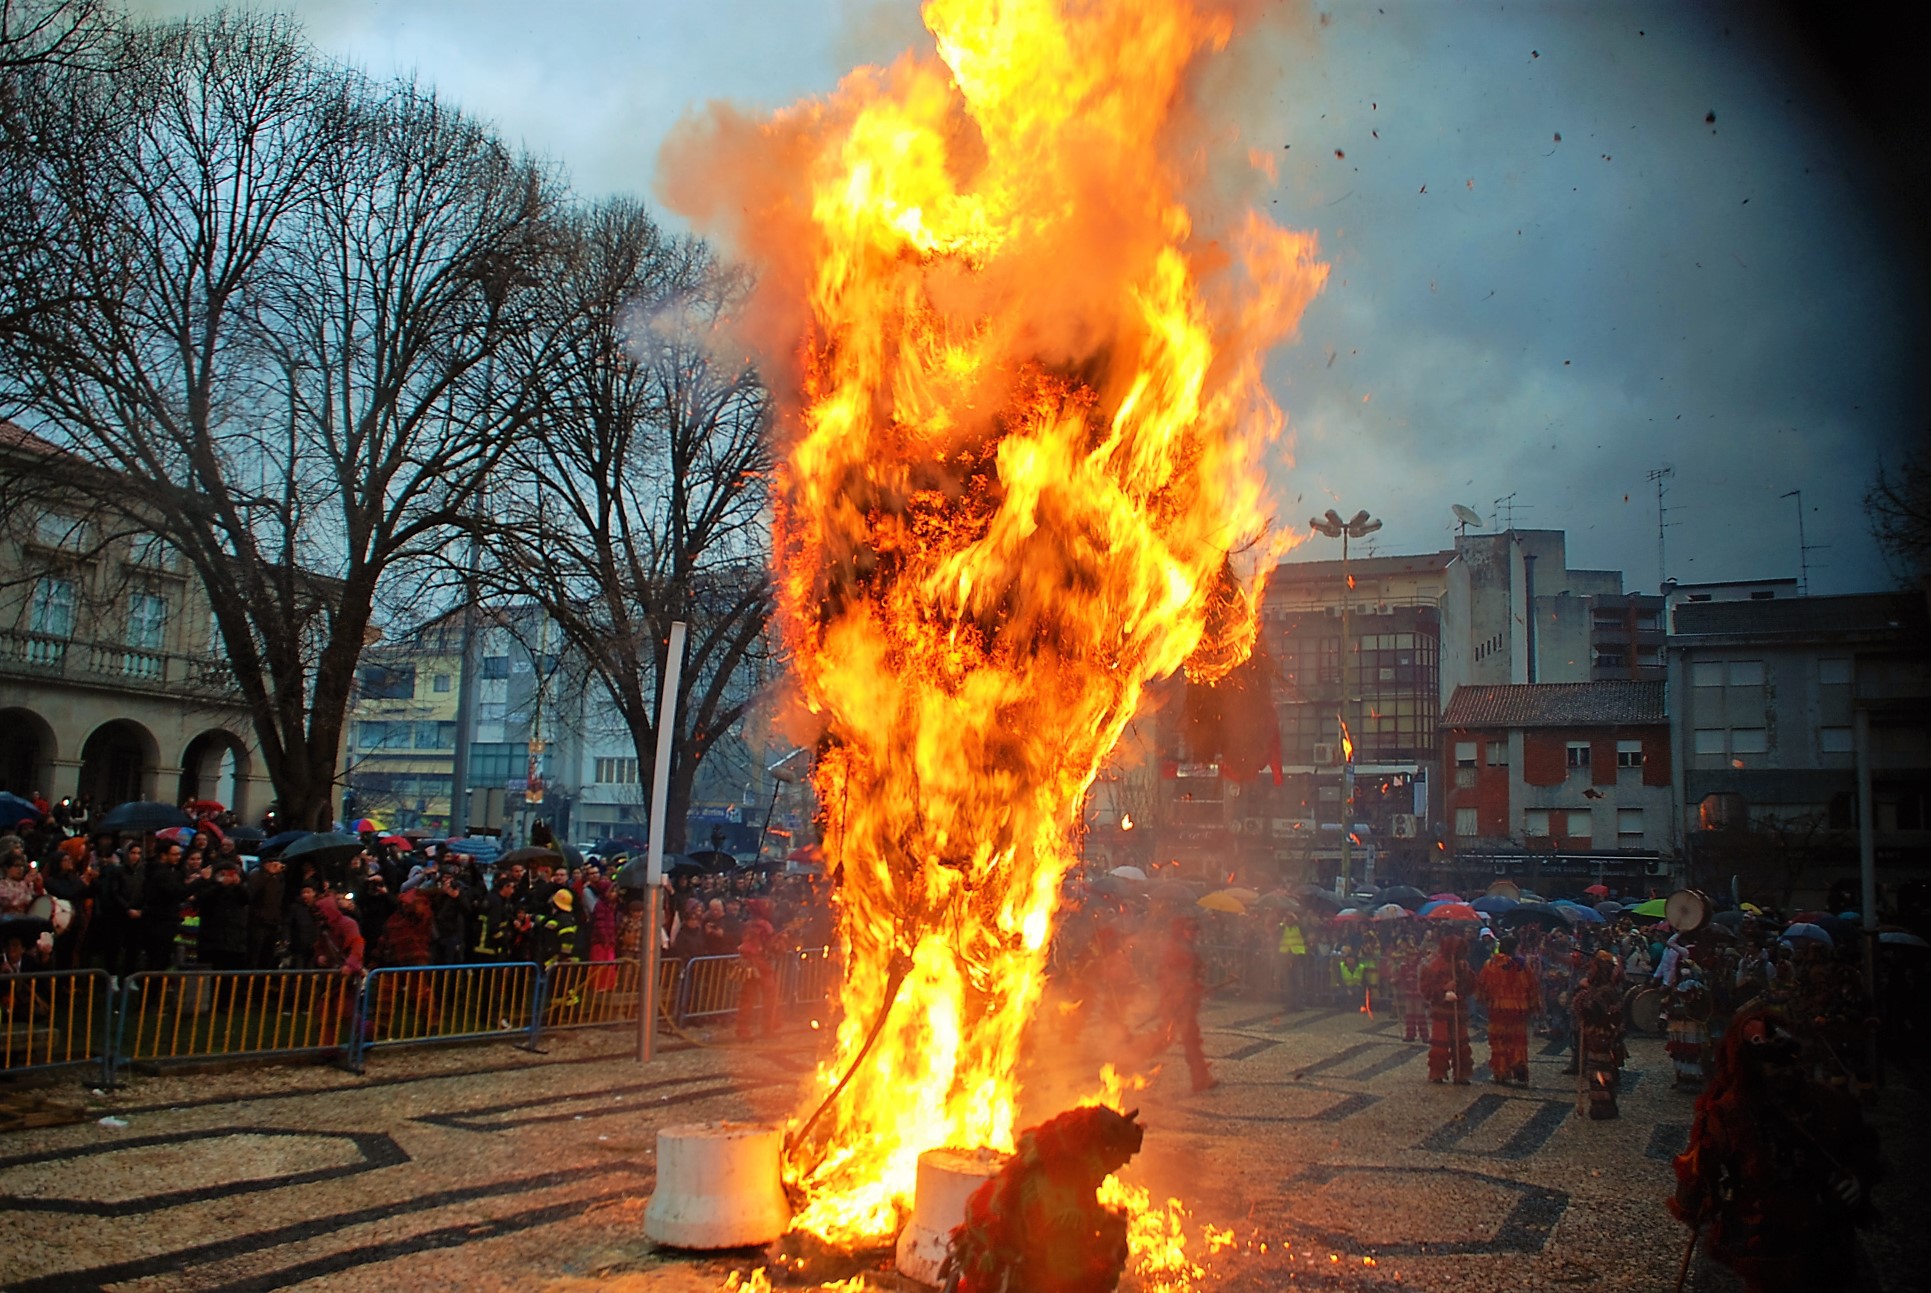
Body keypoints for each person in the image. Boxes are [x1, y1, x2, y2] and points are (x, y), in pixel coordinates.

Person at [1669, 1008, 1884, 1292]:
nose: (1784, 1072)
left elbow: (1862, 1147)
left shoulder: (1828, 1103)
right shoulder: (1729, 1113)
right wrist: (1691, 1203)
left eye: (1788, 1063)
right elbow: (1698, 1168)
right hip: (1767, 1242)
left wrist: (1857, 1178)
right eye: (1773, 1065)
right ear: (1751, 1066)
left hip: (1826, 1234)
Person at [1146, 915, 1216, 1092]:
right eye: (1189, 929)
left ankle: (1200, 1077)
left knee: (1190, 1039)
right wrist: (1184, 988)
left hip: (1185, 1001)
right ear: (1181, 930)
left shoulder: (1187, 947)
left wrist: (1194, 984)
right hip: (1178, 1002)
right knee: (1170, 1038)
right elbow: (1168, 975)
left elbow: (1191, 973)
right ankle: (1130, 1056)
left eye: (1194, 930)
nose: (1193, 933)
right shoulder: (1176, 949)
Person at [1573, 950, 1626, 1119]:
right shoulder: (1600, 988)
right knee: (1597, 1067)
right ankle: (1601, 1103)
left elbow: (1598, 1011)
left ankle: (1603, 1106)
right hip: (1598, 1033)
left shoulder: (1605, 990)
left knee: (1600, 1068)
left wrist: (1583, 1001)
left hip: (1602, 1034)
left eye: (1594, 966)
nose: (1590, 968)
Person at [1476, 934, 1536, 1085]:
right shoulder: (1522, 966)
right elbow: (1532, 987)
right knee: (1517, 1040)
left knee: (1499, 1040)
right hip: (1518, 1009)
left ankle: (1501, 1071)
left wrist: (1484, 1000)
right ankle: (1518, 1064)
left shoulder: (1490, 964)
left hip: (1498, 1008)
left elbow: (1482, 985)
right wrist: (1533, 1006)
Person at [1419, 932, 1476, 1084]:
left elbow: (1471, 986)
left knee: (1460, 1042)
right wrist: (1443, 990)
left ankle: (1461, 1074)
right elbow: (1426, 989)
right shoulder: (1434, 967)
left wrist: (1462, 981)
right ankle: (1438, 1072)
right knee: (1440, 1042)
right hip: (1441, 1011)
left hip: (1459, 1010)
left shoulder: (1464, 966)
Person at [188, 860, 250, 972]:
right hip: (211, 940)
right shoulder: (209, 887)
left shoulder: (238, 890)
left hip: (234, 941)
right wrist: (219, 885)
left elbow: (246, 899)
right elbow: (201, 900)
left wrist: (237, 885)